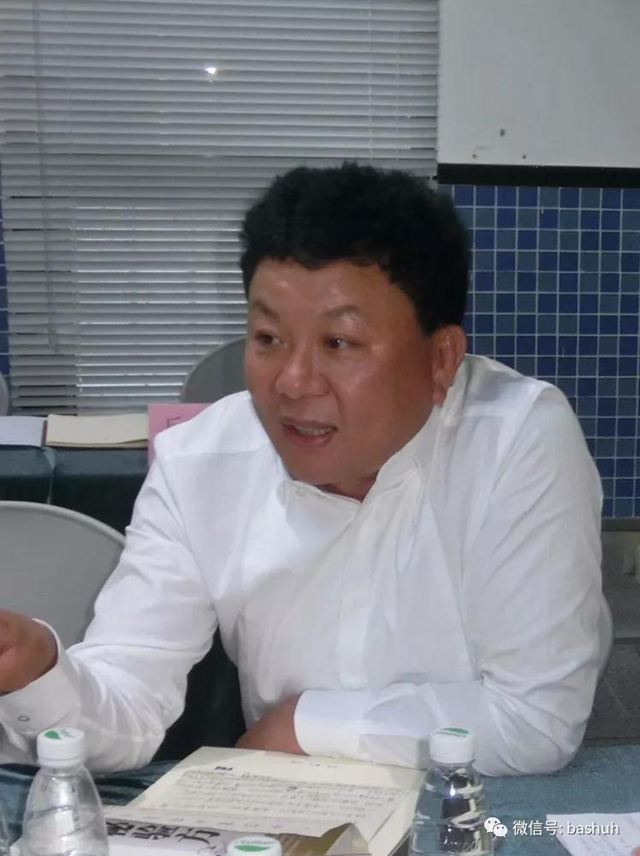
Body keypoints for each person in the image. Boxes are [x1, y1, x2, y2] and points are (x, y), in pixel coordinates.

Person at [0, 163, 607, 776]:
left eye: (338, 343)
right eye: (268, 339)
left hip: (476, 806)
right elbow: (129, 699)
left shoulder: (516, 438)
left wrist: (304, 725)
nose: (292, 383)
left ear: (440, 358)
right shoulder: (200, 464)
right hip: (287, 808)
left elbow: (536, 719)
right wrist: (36, 672)